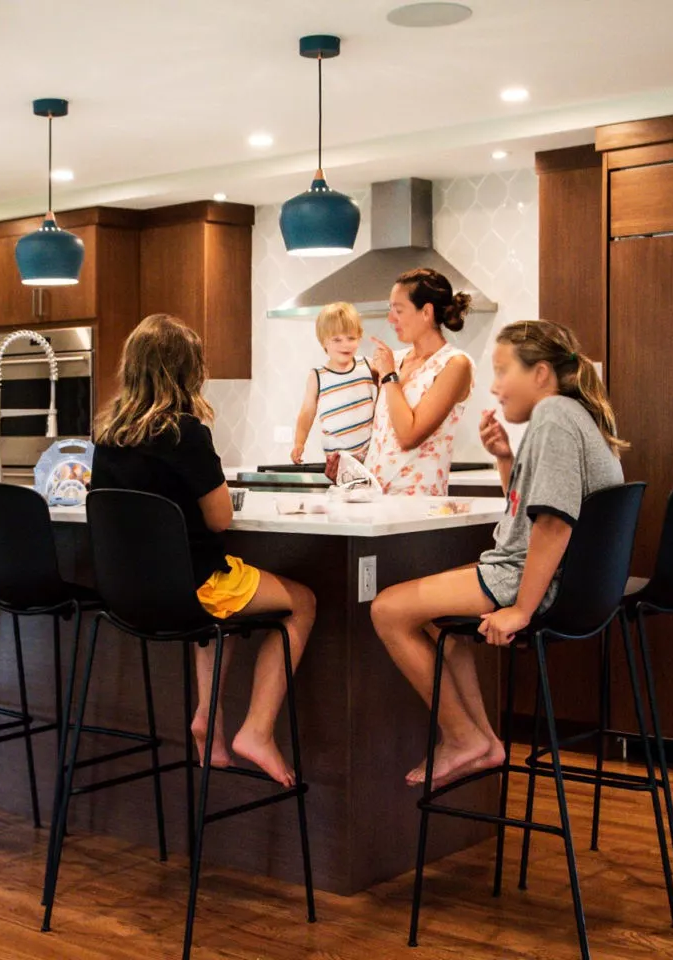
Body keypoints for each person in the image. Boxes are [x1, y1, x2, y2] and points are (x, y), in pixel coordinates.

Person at [369, 320, 627, 788]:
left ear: (542, 373)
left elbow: (552, 525)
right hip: (568, 582)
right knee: (435, 614)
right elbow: (533, 515)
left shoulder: (554, 417)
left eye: (504, 370)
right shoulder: (574, 416)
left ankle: (464, 736)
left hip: (534, 582)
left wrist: (521, 610)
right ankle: (482, 740)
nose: (494, 385)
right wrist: (506, 460)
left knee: (387, 610)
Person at [91, 314, 317, 787]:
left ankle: (207, 722)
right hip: (194, 588)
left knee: (221, 619)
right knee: (302, 602)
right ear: (188, 371)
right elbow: (219, 519)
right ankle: (256, 730)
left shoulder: (108, 436)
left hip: (128, 594)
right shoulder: (186, 432)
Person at [364, 268, 474, 495]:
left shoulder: (454, 364)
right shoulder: (396, 360)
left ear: (426, 312)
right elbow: (385, 433)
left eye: (398, 310)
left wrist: (389, 377)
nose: (390, 318)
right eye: (390, 309)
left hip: (418, 503)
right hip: (373, 497)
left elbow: (409, 436)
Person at [291, 301, 377, 463]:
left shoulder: (368, 365)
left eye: (351, 338)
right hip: (337, 461)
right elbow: (307, 413)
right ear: (323, 341)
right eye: (337, 340)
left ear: (359, 337)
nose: (345, 344)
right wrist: (299, 442)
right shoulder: (317, 376)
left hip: (370, 456)